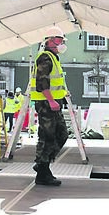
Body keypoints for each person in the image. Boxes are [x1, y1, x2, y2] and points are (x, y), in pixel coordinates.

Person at [28, 26, 69, 186]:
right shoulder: (45, 58)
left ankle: (42, 164)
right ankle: (43, 172)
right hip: (47, 103)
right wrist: (51, 100)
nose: (62, 44)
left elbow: (54, 82)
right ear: (50, 41)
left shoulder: (53, 58)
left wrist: (61, 95)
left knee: (61, 134)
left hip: (53, 103)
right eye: (59, 40)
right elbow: (42, 83)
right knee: (47, 137)